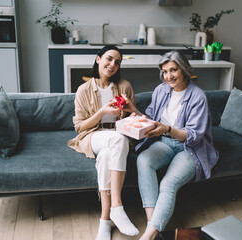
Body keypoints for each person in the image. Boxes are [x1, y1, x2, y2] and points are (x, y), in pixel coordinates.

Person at [133, 51, 219, 240]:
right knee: (143, 160)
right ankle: (152, 225)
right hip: (165, 143)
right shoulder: (161, 90)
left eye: (173, 70)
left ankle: (148, 236)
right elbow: (151, 117)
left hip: (190, 149)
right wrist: (133, 113)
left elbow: (194, 136)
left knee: (168, 183)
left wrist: (167, 129)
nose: (168, 76)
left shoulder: (198, 97)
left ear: (184, 70)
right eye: (164, 72)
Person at [68, 45, 139, 240]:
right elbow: (80, 128)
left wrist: (132, 110)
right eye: (109, 59)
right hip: (93, 135)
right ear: (98, 59)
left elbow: (136, 119)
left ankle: (105, 221)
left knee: (108, 154)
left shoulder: (124, 86)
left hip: (118, 137)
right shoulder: (83, 90)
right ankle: (117, 205)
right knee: (117, 140)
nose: (112, 64)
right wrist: (102, 112)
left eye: (117, 62)